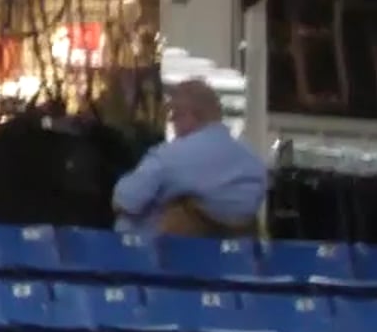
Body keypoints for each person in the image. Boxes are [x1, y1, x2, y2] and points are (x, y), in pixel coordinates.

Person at [111, 79, 267, 237]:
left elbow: (125, 201)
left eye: (173, 115)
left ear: (189, 114)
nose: (171, 122)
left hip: (162, 255)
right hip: (233, 257)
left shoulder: (170, 156)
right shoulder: (253, 161)